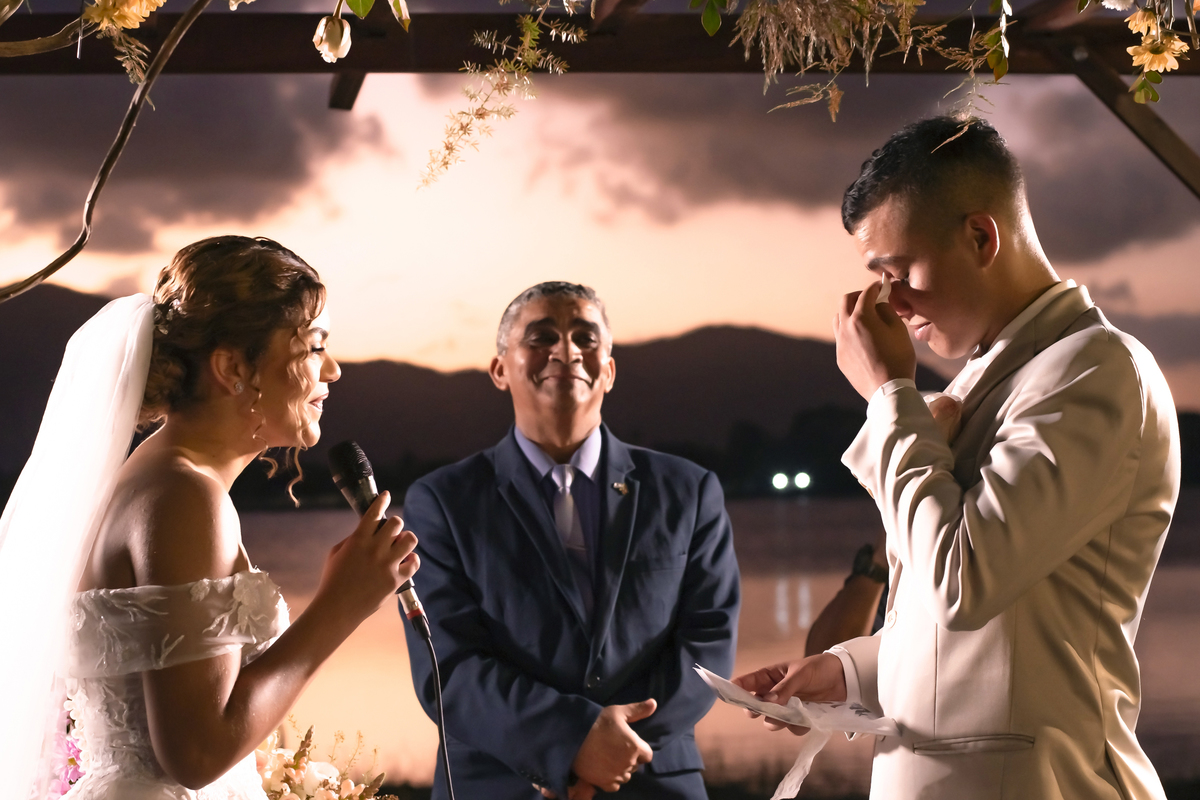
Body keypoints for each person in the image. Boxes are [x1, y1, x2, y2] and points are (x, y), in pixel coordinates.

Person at [734, 117, 1180, 799]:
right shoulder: (980, 382)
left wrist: (890, 393)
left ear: (980, 237)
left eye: (900, 271)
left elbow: (965, 582)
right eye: (877, 278)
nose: (891, 303)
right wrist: (848, 673)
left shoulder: (1094, 370)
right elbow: (972, 632)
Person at [0, 236, 420, 800]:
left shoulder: (159, 480)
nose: (335, 371)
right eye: (314, 348)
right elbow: (195, 755)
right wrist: (342, 605)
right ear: (232, 367)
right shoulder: (182, 498)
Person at [400, 281, 741, 800]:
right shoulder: (441, 501)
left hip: (653, 785)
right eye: (541, 337)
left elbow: (707, 645)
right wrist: (568, 743)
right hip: (499, 787)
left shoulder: (690, 491)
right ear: (499, 370)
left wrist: (613, 749)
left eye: (585, 337)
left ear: (608, 368)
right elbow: (448, 667)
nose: (565, 351)